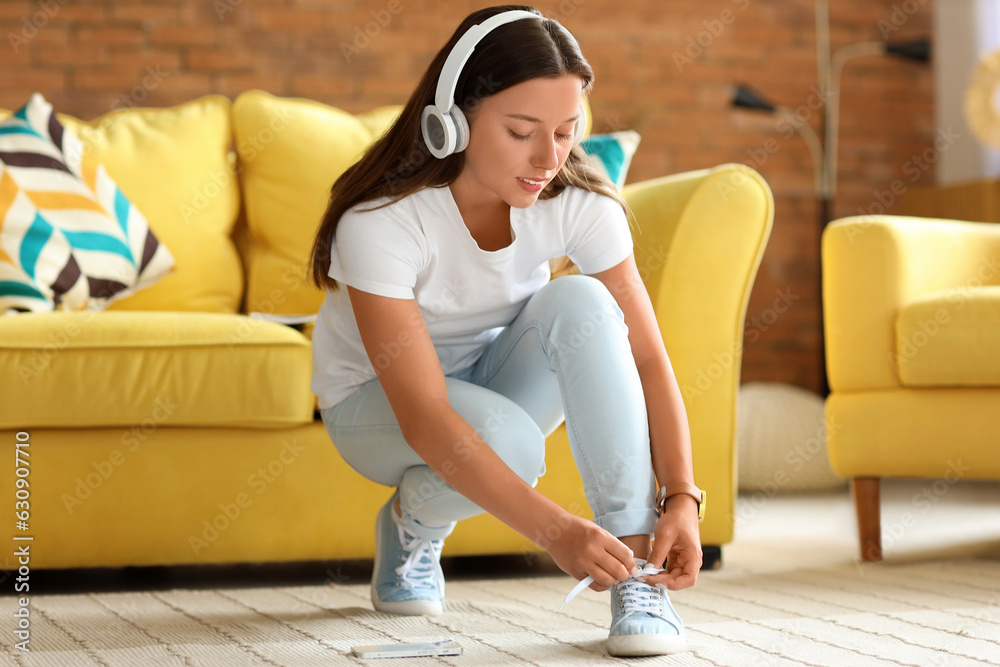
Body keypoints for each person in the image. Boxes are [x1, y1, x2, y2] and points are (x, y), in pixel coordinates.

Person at [308, 5, 703, 657]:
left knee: (581, 300)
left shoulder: (580, 204)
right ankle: (411, 522)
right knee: (512, 443)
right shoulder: (382, 222)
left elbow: (648, 358)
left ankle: (639, 571)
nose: (549, 157)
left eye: (566, 132)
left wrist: (683, 497)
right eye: (522, 131)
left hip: (490, 377)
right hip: (373, 404)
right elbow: (426, 415)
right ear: (452, 121)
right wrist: (554, 532)